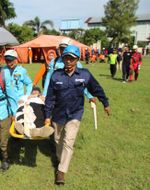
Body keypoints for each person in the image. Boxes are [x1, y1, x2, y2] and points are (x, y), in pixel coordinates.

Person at [45, 45, 110, 185]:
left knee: (68, 142)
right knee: (58, 140)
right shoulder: (56, 75)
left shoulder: (85, 74)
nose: (68, 61)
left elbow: (96, 88)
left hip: (75, 113)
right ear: (63, 59)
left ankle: (61, 171)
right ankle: (60, 158)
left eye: (72, 59)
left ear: (77, 60)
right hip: (58, 114)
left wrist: (105, 103)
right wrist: (47, 115)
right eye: (66, 58)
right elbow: (50, 97)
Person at [42, 38, 94, 104]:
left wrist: (90, 96)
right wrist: (44, 94)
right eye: (61, 48)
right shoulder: (54, 61)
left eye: (65, 48)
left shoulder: (77, 64)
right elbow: (48, 78)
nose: (62, 50)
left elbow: (81, 82)